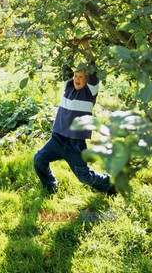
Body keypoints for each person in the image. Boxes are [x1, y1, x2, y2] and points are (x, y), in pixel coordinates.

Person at [34, 39, 117, 196]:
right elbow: (66, 67)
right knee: (39, 160)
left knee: (84, 177)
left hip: (75, 144)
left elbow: (93, 67)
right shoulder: (68, 88)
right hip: (57, 139)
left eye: (81, 76)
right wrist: (73, 47)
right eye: (76, 75)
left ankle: (109, 183)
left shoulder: (89, 92)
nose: (77, 79)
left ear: (88, 80)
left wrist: (86, 46)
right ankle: (50, 186)